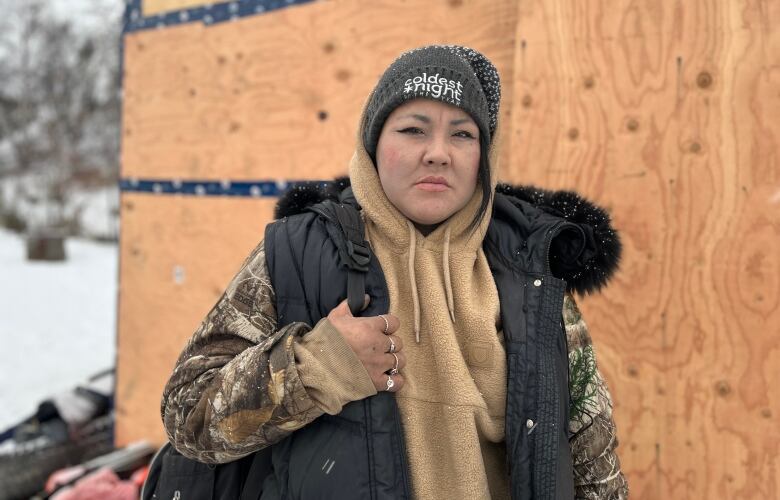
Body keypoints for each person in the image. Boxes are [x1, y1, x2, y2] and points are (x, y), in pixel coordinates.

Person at [161, 45, 628, 499]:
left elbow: (591, 448)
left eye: (463, 134)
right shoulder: (298, 254)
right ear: (373, 145)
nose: (438, 153)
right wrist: (315, 368)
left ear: (484, 155)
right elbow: (189, 417)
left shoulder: (533, 271)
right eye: (413, 130)